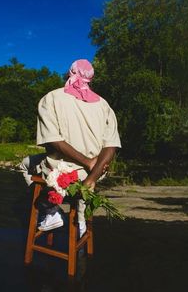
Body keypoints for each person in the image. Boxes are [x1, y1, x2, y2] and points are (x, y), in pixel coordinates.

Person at [20, 59, 121, 237]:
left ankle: (50, 211)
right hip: (94, 173)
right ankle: (81, 221)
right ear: (91, 79)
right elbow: (111, 145)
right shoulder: (104, 105)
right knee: (85, 180)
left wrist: (86, 161)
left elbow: (52, 141)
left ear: (69, 74)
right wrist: (92, 175)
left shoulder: (51, 98)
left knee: (24, 164)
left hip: (63, 172)